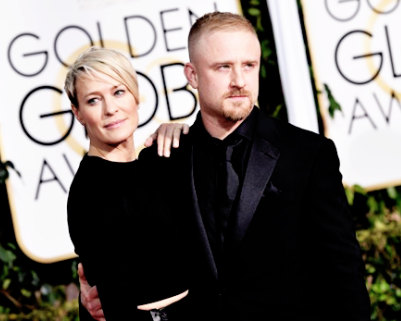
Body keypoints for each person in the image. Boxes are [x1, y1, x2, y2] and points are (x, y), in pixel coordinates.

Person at [80, 12, 371, 321]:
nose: (239, 81)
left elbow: (343, 275)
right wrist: (94, 301)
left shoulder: (307, 154)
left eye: (249, 65)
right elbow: (128, 258)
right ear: (192, 75)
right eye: (223, 67)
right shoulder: (162, 161)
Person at [65, 47, 191, 321]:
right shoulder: (93, 192)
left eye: (118, 92)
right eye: (93, 100)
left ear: (136, 96)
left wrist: (180, 130)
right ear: (78, 113)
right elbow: (117, 305)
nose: (111, 109)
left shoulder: (153, 165)